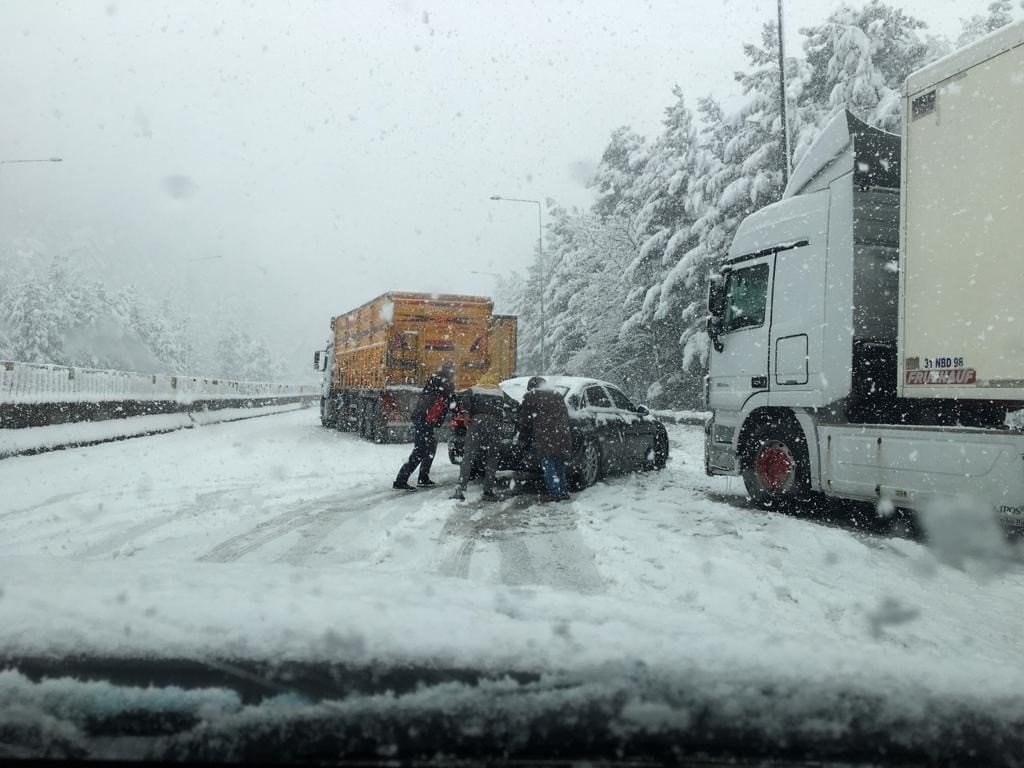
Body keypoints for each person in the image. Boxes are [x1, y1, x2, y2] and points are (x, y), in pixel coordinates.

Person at [393, 361, 456, 491]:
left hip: (424, 418)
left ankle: (423, 478)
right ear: (449, 372)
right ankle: (401, 480)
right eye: (453, 371)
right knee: (420, 450)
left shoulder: (437, 380)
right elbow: (452, 400)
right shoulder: (443, 383)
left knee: (430, 447)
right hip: (424, 419)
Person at [451, 367, 508, 502]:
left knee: (468, 455)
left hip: (476, 422)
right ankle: (488, 491)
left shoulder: (474, 389)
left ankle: (460, 489)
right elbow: (514, 404)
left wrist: (466, 414)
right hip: (495, 424)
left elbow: (463, 399)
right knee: (492, 457)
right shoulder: (500, 392)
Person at [517, 376, 572, 502]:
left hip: (544, 435)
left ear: (532, 387)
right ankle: (563, 491)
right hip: (561, 435)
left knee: (548, 463)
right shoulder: (556, 394)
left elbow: (525, 421)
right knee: (558, 463)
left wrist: (523, 438)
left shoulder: (531, 396)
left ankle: (554, 493)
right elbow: (565, 416)